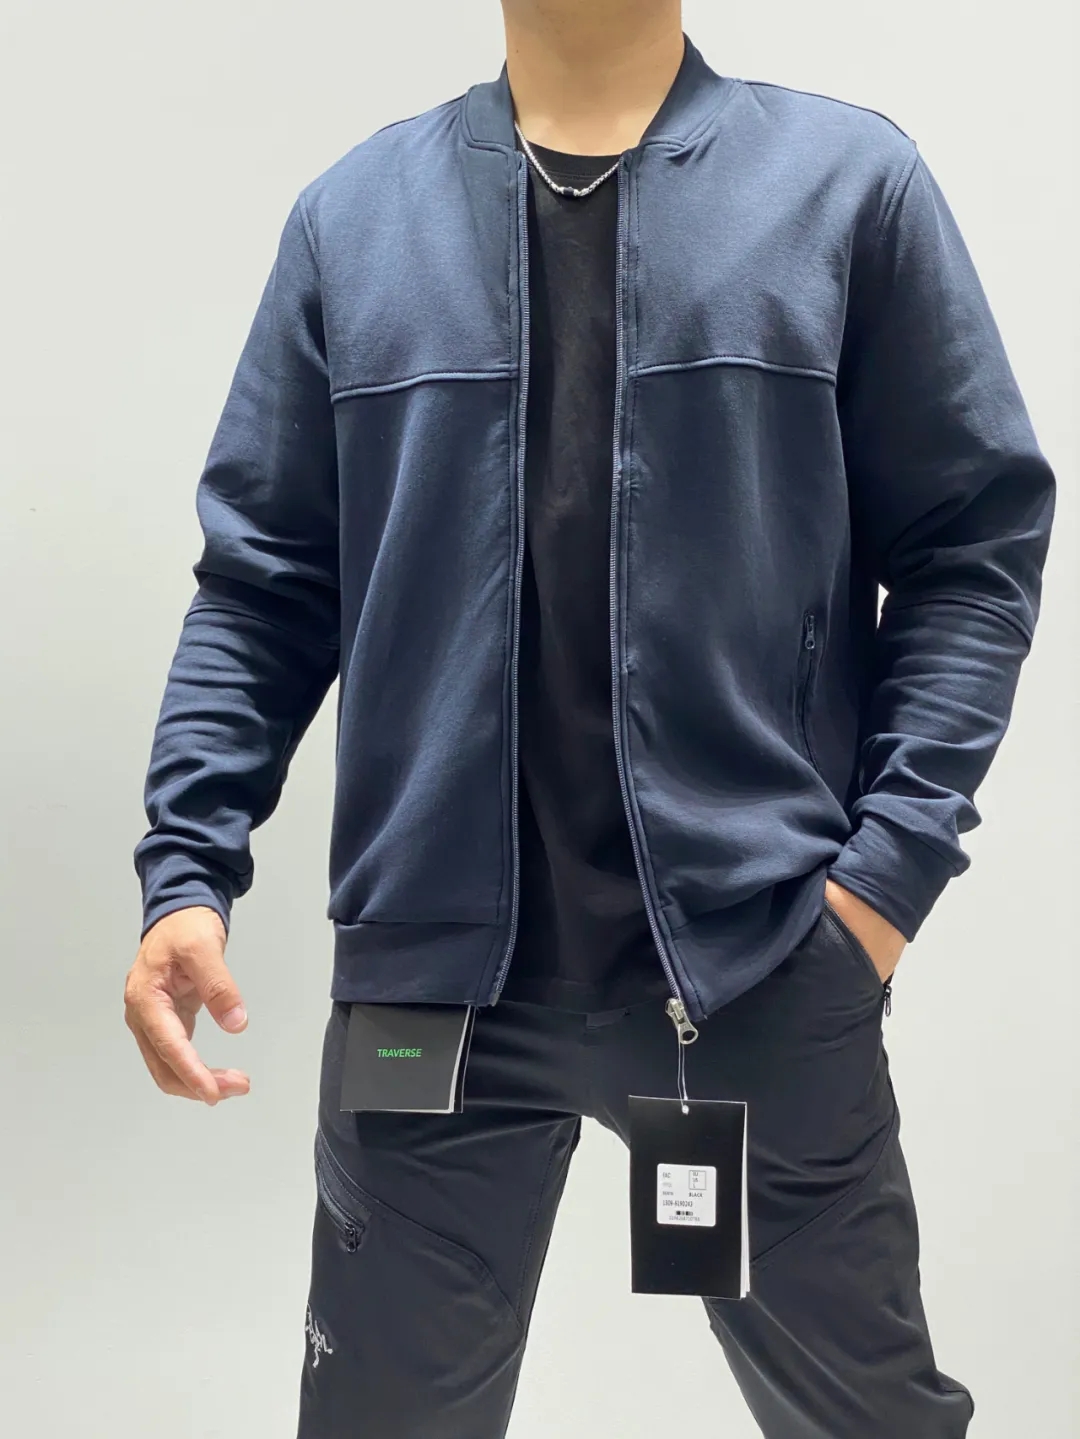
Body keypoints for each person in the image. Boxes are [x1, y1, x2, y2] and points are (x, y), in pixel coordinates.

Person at [123, 2, 1055, 1435]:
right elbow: (263, 588)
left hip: (755, 962)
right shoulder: (353, 222)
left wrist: (881, 887)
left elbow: (971, 550)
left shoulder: (844, 188)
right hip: (431, 988)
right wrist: (187, 870)